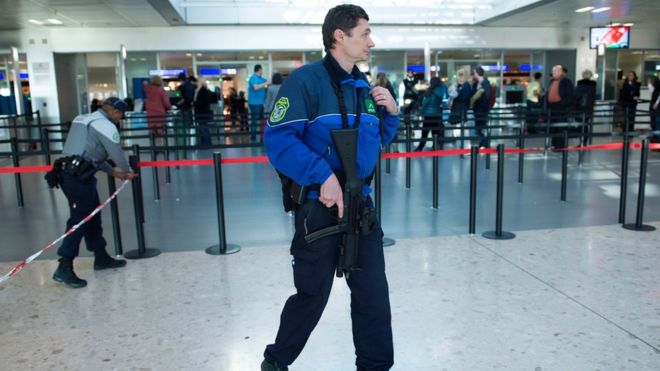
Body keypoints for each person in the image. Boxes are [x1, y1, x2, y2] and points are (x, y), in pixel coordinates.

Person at [261, 4, 399, 370]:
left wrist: (391, 116)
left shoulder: (364, 88)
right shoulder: (304, 82)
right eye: (365, 33)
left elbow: (373, 144)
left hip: (361, 207)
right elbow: (278, 140)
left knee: (373, 295)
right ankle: (276, 362)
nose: (371, 41)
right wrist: (323, 176)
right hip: (318, 208)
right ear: (340, 35)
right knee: (312, 293)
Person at [51, 97, 137, 289]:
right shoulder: (106, 126)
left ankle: (101, 256)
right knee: (79, 220)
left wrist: (114, 173)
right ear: (115, 112)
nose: (120, 119)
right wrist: (127, 171)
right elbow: (116, 154)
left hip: (73, 174)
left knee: (92, 216)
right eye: (120, 115)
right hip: (76, 178)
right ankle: (64, 266)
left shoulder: (82, 119)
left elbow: (92, 155)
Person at [545, 65, 574, 149]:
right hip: (552, 107)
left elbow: (569, 95)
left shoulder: (566, 81)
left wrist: (563, 104)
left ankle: (560, 146)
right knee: (553, 126)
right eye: (553, 71)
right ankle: (554, 144)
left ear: (561, 72)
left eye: (555, 71)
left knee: (560, 127)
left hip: (561, 108)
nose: (553, 73)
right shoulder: (551, 81)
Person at [415, 76, 446, 151]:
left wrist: (421, 112)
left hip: (428, 115)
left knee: (424, 132)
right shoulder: (441, 91)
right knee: (435, 132)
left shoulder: (430, 92)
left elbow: (425, 103)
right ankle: (435, 147)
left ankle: (420, 148)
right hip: (437, 114)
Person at [470, 66, 491, 148]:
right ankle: (483, 142)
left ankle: (484, 143)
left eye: (474, 73)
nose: (473, 74)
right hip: (476, 109)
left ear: (478, 73)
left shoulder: (485, 83)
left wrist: (477, 98)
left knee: (481, 126)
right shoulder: (476, 84)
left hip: (483, 109)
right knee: (478, 127)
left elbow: (487, 96)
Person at [574, 69, 597, 145]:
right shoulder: (593, 86)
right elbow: (593, 98)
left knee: (581, 125)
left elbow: (576, 96)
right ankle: (585, 141)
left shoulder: (579, 85)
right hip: (589, 108)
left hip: (580, 108)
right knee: (586, 124)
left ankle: (582, 141)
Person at [248, 64, 269, 140]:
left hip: (261, 103)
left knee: (261, 121)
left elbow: (267, 83)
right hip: (254, 103)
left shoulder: (261, 79)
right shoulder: (253, 78)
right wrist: (266, 83)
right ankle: (253, 137)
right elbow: (255, 87)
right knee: (255, 120)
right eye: (262, 69)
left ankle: (261, 137)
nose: (262, 71)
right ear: (259, 69)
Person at [194, 78, 213, 146]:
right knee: (203, 127)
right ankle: (205, 142)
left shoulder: (202, 90)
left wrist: (194, 103)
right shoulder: (203, 90)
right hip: (203, 112)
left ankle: (206, 142)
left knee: (203, 128)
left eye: (198, 81)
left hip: (201, 112)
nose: (196, 82)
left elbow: (201, 102)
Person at [648, 76, 660, 144]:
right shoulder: (657, 81)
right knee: (654, 121)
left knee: (657, 122)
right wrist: (649, 84)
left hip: (657, 105)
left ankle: (658, 140)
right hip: (654, 104)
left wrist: (657, 103)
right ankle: (656, 138)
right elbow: (654, 91)